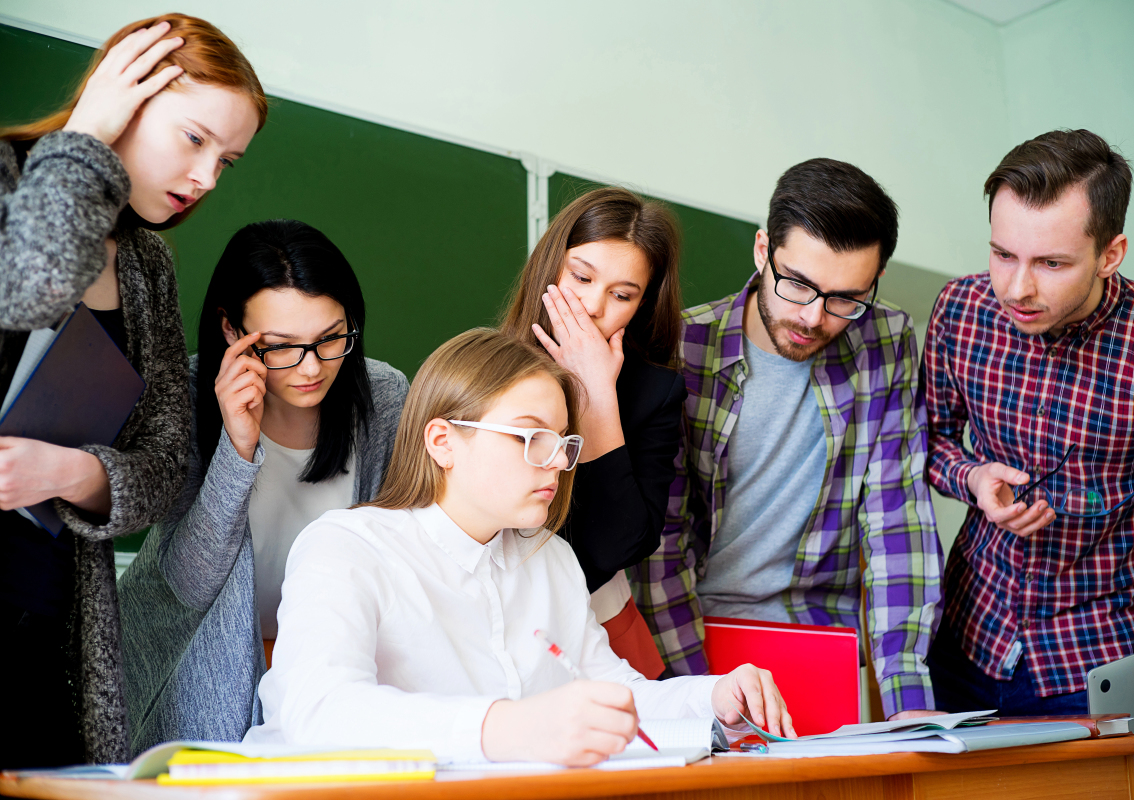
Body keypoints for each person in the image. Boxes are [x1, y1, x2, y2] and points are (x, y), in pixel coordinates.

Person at [243, 328, 793, 764]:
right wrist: (506, 726)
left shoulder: (547, 556)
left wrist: (714, 699)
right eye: (532, 438)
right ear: (443, 442)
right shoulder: (346, 548)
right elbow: (320, 711)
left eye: (563, 442)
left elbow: (609, 690)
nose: (556, 461)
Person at [0, 15, 266, 767]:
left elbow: (162, 463)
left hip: (54, 627)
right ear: (124, 96)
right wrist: (85, 142)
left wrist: (74, 473)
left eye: (229, 161)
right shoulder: (9, 179)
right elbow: (32, 286)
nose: (208, 178)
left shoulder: (148, 264)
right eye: (194, 140)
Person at [923, 129, 1134, 800]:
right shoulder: (960, 311)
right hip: (960, 648)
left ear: (1111, 253)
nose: (1016, 287)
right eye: (1001, 253)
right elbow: (923, 443)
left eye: (1050, 263)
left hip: (1088, 673)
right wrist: (972, 478)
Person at [630, 159, 943, 721]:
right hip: (697, 635)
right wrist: (701, 695)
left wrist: (907, 702)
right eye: (796, 284)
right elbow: (662, 546)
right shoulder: (684, 348)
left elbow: (899, 521)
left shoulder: (885, 338)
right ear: (761, 251)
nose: (813, 316)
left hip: (820, 640)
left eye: (846, 298)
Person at [117, 219, 409, 754]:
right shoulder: (184, 393)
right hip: (189, 663)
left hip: (324, 667)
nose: (313, 366)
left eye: (331, 338)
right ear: (232, 331)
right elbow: (188, 584)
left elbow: (397, 556)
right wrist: (237, 446)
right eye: (281, 346)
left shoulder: (385, 396)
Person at [501, 186, 684, 678]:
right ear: (550, 266)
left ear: (641, 306)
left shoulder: (655, 392)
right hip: (496, 621)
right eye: (581, 276)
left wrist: (595, 397)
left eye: (622, 295)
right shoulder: (487, 370)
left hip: (601, 625)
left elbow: (617, 548)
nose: (592, 305)